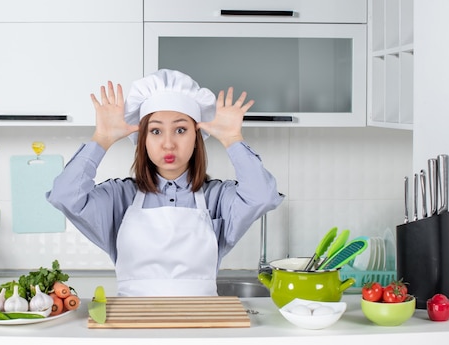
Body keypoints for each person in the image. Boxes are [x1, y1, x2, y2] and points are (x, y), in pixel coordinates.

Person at [46, 69, 284, 296]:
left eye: (180, 130)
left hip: (202, 325)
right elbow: (64, 196)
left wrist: (233, 139)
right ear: (143, 139)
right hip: (134, 327)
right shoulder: (120, 197)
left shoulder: (218, 198)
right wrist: (101, 139)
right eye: (156, 131)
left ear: (196, 137)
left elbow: (263, 196)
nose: (168, 144)